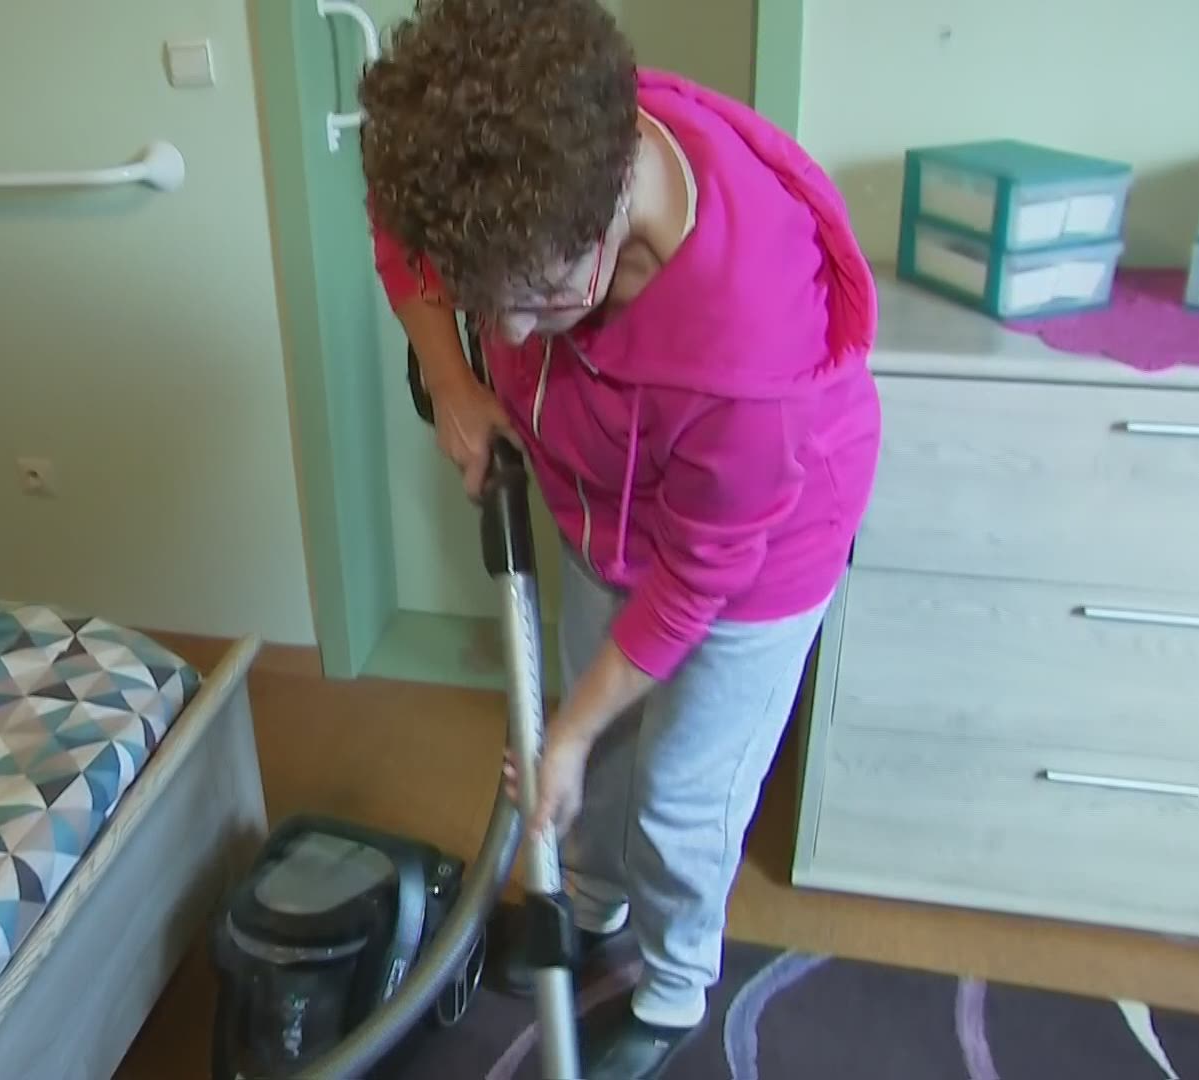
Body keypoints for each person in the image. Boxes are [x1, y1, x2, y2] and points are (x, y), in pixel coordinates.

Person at [359, 0, 881, 1074]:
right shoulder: (504, 160)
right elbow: (399, 229)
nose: (510, 333)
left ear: (614, 214)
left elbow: (694, 579)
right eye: (484, 302)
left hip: (754, 557)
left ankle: (676, 985)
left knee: (680, 790)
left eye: (538, 297)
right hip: (602, 493)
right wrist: (453, 383)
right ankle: (590, 904)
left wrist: (571, 733)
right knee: (588, 742)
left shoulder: (751, 351)